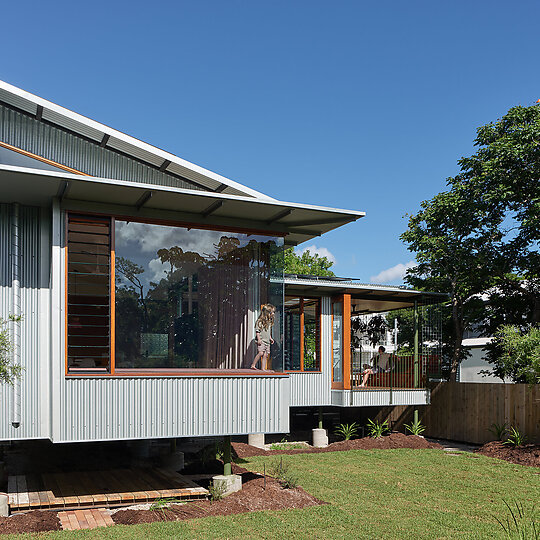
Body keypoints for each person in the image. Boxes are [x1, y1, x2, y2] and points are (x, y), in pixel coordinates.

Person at [250, 303, 275, 370]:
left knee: (265, 355)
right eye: (272, 312)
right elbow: (257, 331)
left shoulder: (269, 322)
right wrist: (259, 339)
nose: (273, 314)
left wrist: (270, 338)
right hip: (262, 340)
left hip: (267, 341)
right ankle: (253, 365)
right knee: (261, 353)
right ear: (267, 313)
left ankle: (263, 368)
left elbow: (268, 332)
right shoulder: (260, 321)